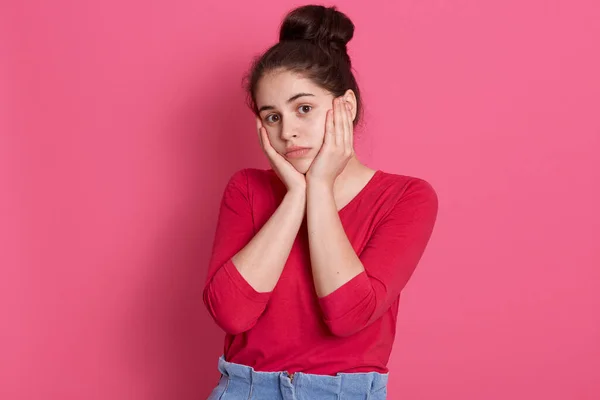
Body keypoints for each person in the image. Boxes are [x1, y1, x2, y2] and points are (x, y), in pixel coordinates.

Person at [203, 4, 438, 399]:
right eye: (272, 117)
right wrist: (297, 194)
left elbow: (348, 315)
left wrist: (320, 188)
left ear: (345, 107)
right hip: (245, 389)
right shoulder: (246, 189)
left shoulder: (407, 197)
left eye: (304, 108)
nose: (288, 131)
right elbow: (231, 313)